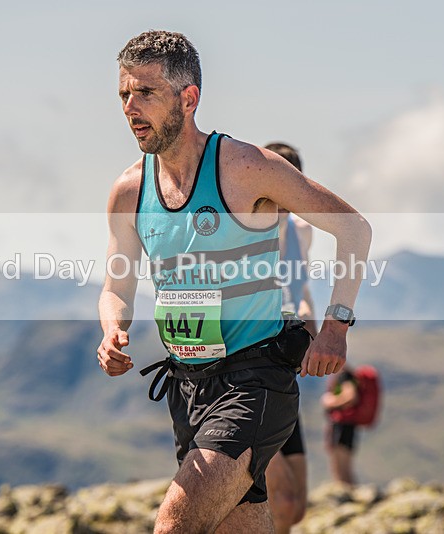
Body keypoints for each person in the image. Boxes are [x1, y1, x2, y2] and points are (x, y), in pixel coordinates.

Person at [97, 30, 371, 533]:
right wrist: (112, 329)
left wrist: (336, 326)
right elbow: (117, 284)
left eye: (146, 93)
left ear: (189, 97)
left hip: (255, 381)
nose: (130, 108)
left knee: (175, 526)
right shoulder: (130, 189)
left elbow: (353, 229)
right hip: (186, 387)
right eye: (123, 95)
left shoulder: (245, 167)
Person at [263, 143, 316, 533]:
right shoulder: (243, 228)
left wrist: (315, 331)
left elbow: (300, 290)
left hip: (286, 371)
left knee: (296, 507)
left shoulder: (301, 231)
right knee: (279, 501)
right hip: (250, 372)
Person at [321, 366, 359, 485]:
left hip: (342, 427)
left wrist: (330, 401)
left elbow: (351, 396)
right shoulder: (347, 375)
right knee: (342, 465)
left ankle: (347, 493)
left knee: (341, 465)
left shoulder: (344, 375)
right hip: (346, 426)